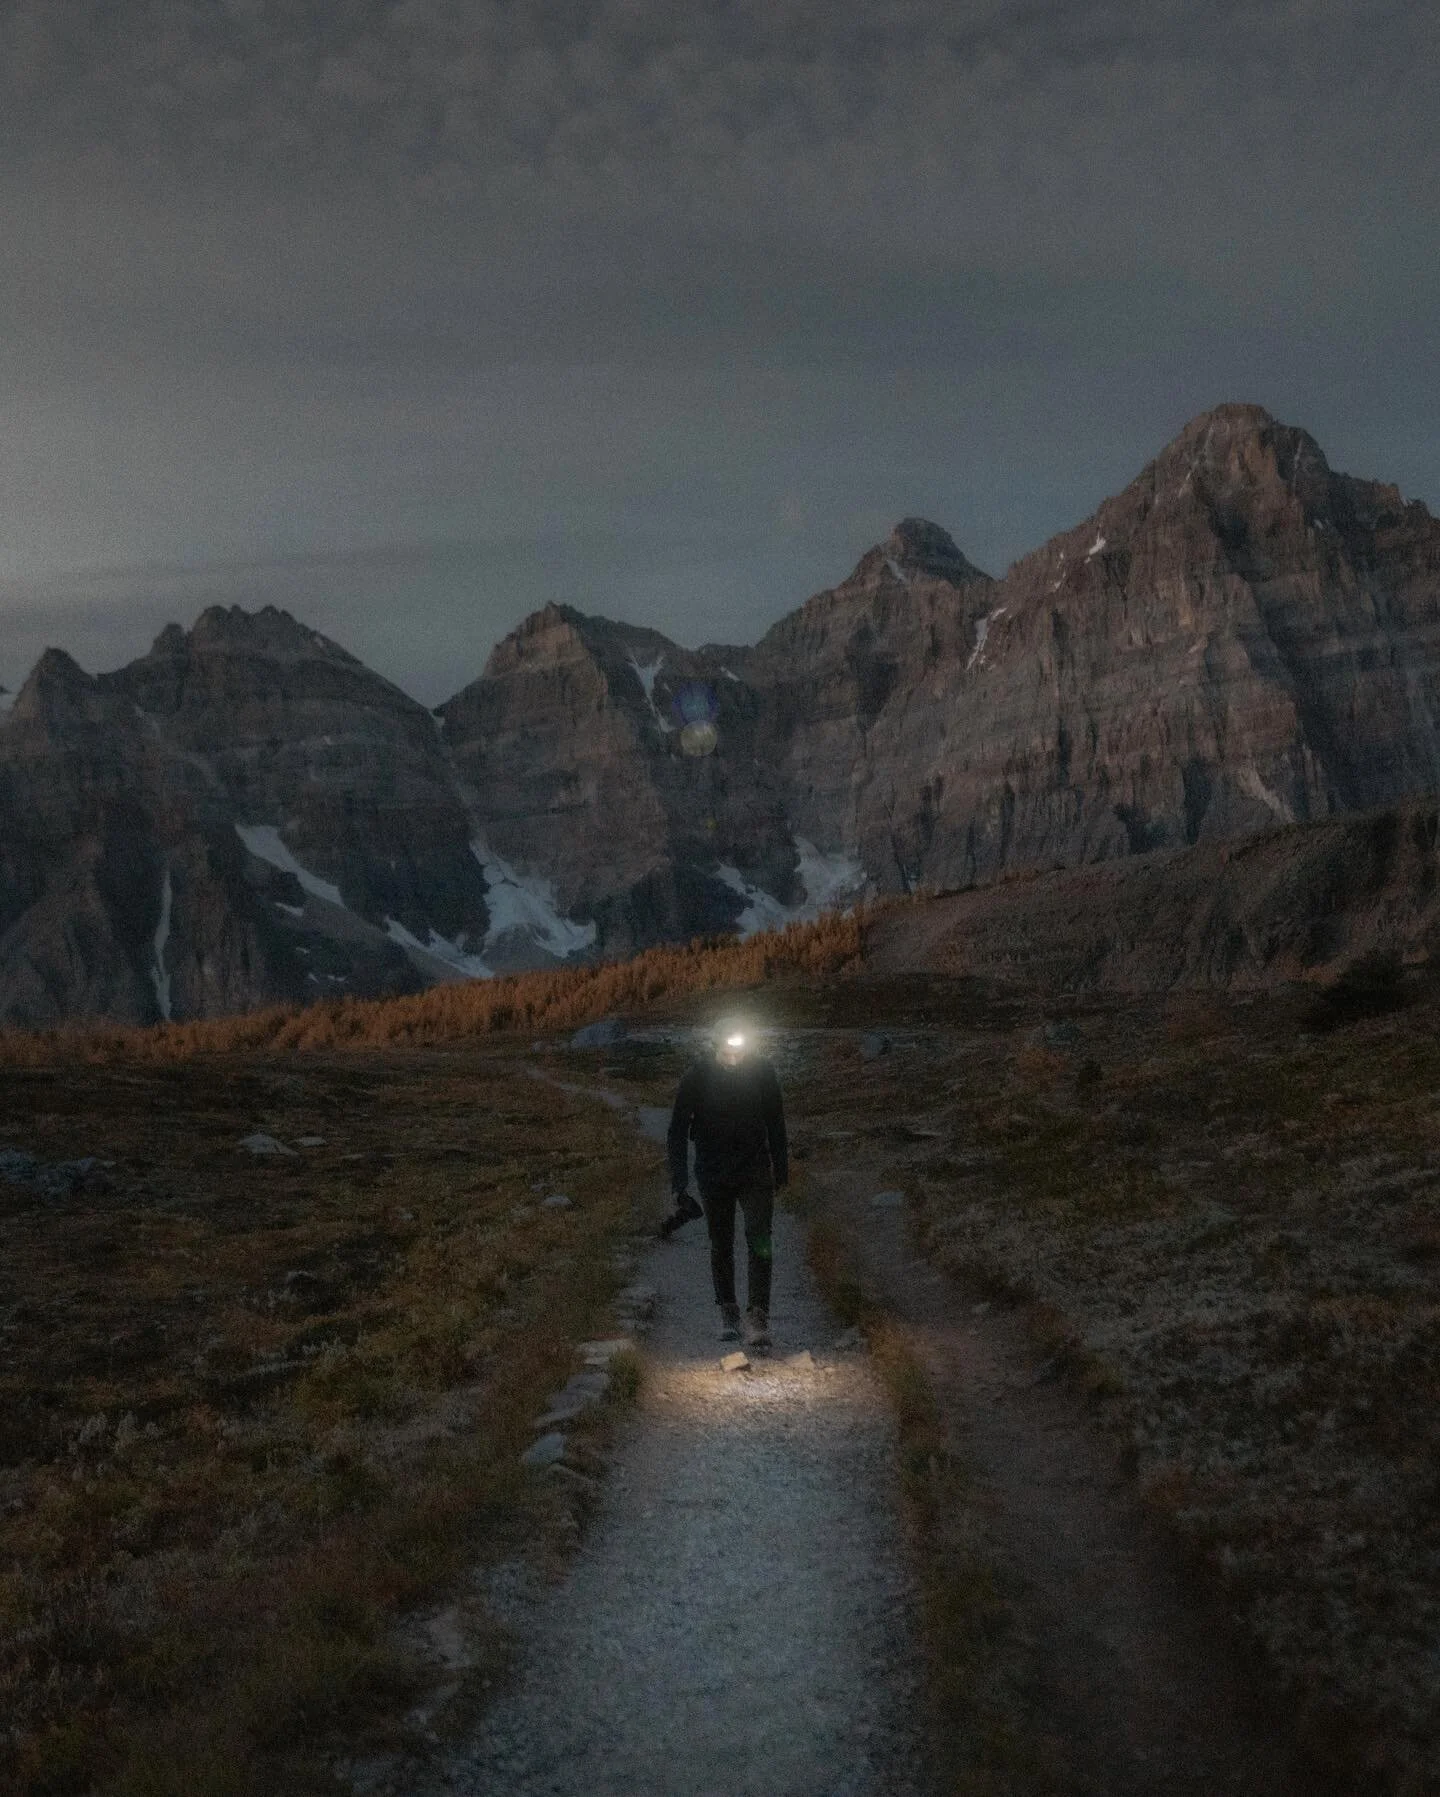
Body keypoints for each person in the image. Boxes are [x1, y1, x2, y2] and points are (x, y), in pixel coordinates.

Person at [662, 1016, 788, 1350]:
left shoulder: (762, 1072)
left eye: (740, 1045)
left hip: (755, 1169)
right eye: (728, 1044)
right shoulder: (697, 1076)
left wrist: (782, 1168)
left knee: (760, 1237)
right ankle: (727, 1311)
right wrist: (680, 1182)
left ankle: (758, 1316)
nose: (734, 1052)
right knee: (721, 1243)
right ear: (716, 1043)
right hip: (712, 1171)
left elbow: (776, 1122)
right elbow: (676, 1129)